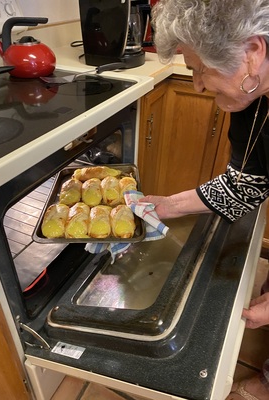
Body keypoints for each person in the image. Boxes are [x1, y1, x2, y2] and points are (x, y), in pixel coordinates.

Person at [139, 1, 269, 399]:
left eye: (200, 69)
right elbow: (246, 183)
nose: (196, 84)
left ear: (253, 52)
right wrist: (169, 205)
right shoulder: (253, 97)